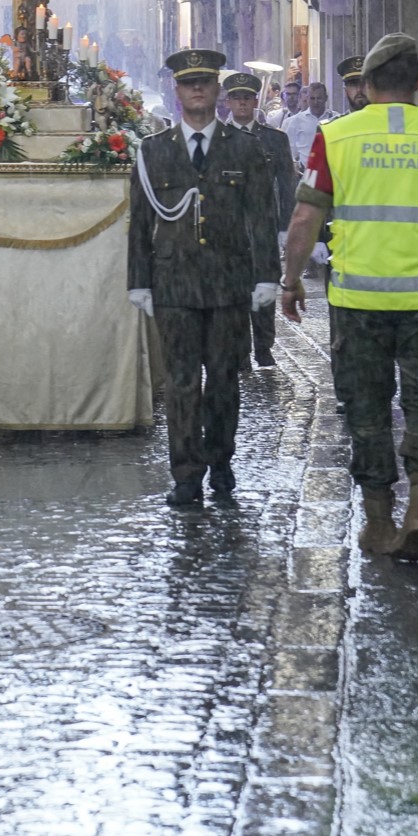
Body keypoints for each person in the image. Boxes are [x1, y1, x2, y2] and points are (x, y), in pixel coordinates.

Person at [280, 34, 418, 564]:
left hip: (359, 301)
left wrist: (292, 279)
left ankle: (377, 521)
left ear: (366, 87)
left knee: (366, 410)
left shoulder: (336, 137)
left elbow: (306, 218)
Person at [128, 49, 281, 507]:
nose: (197, 89)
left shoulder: (245, 149)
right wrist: (139, 280)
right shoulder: (153, 152)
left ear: (217, 90)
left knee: (223, 380)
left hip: (228, 283)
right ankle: (186, 474)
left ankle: (221, 460)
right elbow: (138, 222)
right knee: (180, 382)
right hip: (173, 284)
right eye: (188, 83)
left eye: (205, 82)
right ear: (176, 93)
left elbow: (261, 214)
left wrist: (266, 277)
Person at [225, 72, 298, 368]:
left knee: (265, 286)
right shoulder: (218, 138)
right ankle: (240, 350)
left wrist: (285, 227)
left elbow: (286, 184)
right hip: (229, 227)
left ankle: (264, 346)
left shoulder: (274, 139)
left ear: (256, 101)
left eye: (247, 98)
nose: (242, 103)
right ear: (228, 101)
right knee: (234, 291)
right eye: (237, 98)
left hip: (264, 224)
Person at [282, 80, 338, 169]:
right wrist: (294, 164)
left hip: (331, 172)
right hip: (305, 174)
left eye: (319, 98)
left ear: (326, 98)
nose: (316, 102)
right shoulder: (297, 120)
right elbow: (289, 149)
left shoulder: (336, 119)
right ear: (307, 99)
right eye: (312, 98)